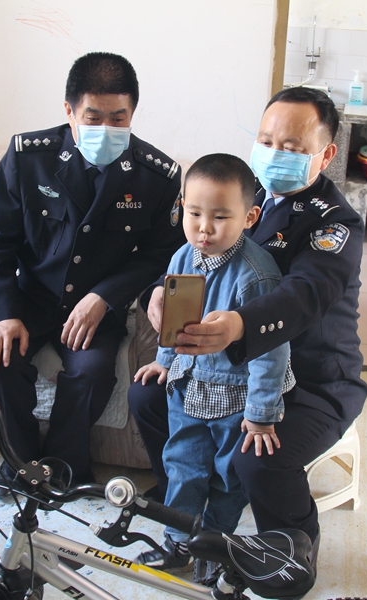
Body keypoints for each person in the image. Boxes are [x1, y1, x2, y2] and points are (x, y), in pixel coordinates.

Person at [128, 86, 367, 575]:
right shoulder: (243, 191)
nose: (275, 155)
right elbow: (198, 250)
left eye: (294, 148)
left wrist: (239, 325)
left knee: (255, 457)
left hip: (312, 378)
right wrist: (159, 290)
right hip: (224, 367)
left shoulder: (335, 224)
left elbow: (303, 295)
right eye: (266, 140)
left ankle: (294, 545)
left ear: (325, 155)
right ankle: (185, 500)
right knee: (149, 396)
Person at [0, 52, 184, 489]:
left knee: (91, 373)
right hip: (31, 297)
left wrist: (104, 297)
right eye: (92, 117)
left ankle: (64, 467)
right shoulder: (27, 158)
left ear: (132, 114)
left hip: (97, 305)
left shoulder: (157, 176)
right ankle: (21, 462)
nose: (106, 130)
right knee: (0, 361)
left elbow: (159, 256)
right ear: (68, 111)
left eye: (118, 118)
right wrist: (2, 313)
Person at [131, 154, 294, 571]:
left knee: (226, 479)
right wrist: (165, 360)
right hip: (186, 389)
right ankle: (177, 544)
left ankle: (215, 551)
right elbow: (175, 321)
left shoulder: (257, 275)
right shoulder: (182, 258)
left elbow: (270, 350)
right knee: (182, 466)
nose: (204, 228)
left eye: (220, 217)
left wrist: (260, 415)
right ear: (181, 206)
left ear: (250, 216)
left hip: (235, 399)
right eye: (194, 213)